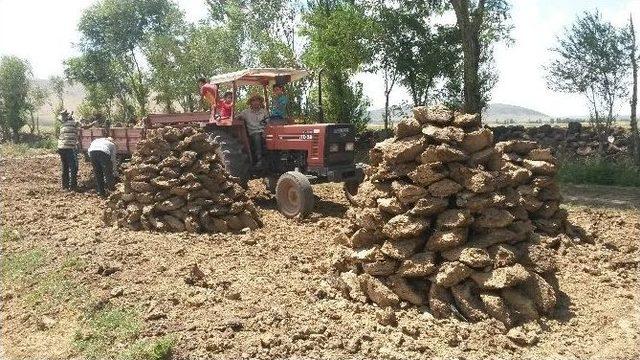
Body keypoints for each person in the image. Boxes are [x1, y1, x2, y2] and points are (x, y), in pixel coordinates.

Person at [237, 94, 269, 167]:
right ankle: (259, 160)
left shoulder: (264, 111)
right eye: (253, 100)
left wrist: (265, 131)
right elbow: (236, 117)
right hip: (253, 132)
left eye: (257, 100)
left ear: (260, 102)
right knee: (257, 137)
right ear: (250, 102)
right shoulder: (246, 112)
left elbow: (268, 123)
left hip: (263, 131)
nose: (256, 102)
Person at [57, 110, 80, 190]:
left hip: (60, 147)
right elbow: (84, 126)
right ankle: (73, 186)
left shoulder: (62, 124)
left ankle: (65, 186)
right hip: (69, 147)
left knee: (65, 166)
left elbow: (60, 118)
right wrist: (93, 123)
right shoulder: (73, 123)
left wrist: (69, 116)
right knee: (74, 167)